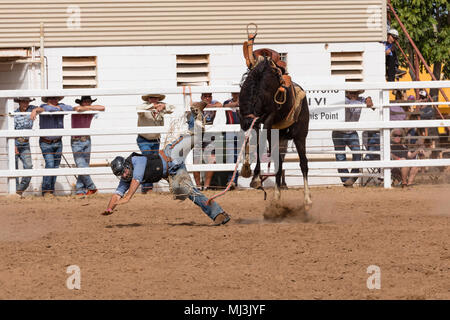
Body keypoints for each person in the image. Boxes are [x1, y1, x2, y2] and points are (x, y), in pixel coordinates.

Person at [102, 133, 231, 226]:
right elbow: (117, 194)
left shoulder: (136, 160)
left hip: (172, 155)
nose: (124, 176)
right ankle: (218, 214)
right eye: (121, 175)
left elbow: (137, 178)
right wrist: (109, 208)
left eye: (124, 172)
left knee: (195, 136)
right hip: (172, 171)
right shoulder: (126, 177)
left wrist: (128, 196)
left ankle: (194, 116)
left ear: (127, 166)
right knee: (190, 192)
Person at [31, 96, 73, 196]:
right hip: (46, 142)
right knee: (50, 164)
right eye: (51, 99)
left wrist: (56, 108)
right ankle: (46, 190)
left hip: (58, 141)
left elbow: (70, 108)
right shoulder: (43, 106)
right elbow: (44, 109)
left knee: (55, 166)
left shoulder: (61, 106)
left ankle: (50, 190)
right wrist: (36, 110)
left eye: (56, 99)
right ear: (48, 100)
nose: (54, 100)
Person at [332, 90, 374, 187]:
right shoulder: (342, 100)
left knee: (357, 153)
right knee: (340, 157)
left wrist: (369, 99)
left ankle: (352, 177)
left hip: (351, 132)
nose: (353, 95)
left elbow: (369, 102)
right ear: (347, 93)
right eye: (351, 93)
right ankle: (346, 181)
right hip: (339, 132)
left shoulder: (361, 100)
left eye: (355, 93)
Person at [136, 93, 175, 194]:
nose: (154, 99)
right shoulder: (144, 107)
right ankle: (147, 187)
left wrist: (164, 106)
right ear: (148, 99)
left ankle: (148, 187)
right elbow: (138, 108)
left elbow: (172, 108)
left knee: (152, 162)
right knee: (148, 160)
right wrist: (154, 106)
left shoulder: (161, 107)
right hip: (144, 139)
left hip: (155, 140)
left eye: (155, 98)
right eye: (151, 98)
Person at [71, 96, 105, 196]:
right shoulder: (78, 109)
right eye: (85, 102)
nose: (87, 103)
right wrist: (90, 108)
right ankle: (91, 187)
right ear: (81, 102)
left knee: (84, 165)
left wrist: (90, 107)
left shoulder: (90, 109)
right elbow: (77, 109)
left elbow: (102, 107)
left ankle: (80, 190)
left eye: (89, 102)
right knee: (81, 165)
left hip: (86, 139)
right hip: (76, 140)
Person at [192, 93, 222, 190]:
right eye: (205, 96)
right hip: (198, 134)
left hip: (209, 135)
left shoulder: (214, 103)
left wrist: (209, 105)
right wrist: (203, 104)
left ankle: (206, 185)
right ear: (201, 97)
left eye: (209, 96)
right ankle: (198, 186)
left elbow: (220, 105)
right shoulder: (198, 103)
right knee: (196, 159)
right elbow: (193, 104)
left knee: (212, 159)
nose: (207, 98)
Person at [14, 97, 38, 196]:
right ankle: (15, 192)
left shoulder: (31, 108)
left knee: (29, 166)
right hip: (15, 142)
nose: (25, 103)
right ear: (19, 102)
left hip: (25, 143)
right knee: (14, 169)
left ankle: (18, 191)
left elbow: (42, 109)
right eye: (23, 101)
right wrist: (14, 146)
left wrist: (35, 110)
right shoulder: (14, 114)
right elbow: (12, 129)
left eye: (27, 101)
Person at [222, 91, 240, 189]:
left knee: (237, 156)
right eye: (234, 93)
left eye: (237, 93)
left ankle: (233, 180)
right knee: (231, 156)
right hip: (230, 131)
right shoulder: (227, 102)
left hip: (240, 131)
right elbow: (225, 105)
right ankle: (231, 180)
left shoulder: (244, 102)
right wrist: (237, 104)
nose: (235, 95)